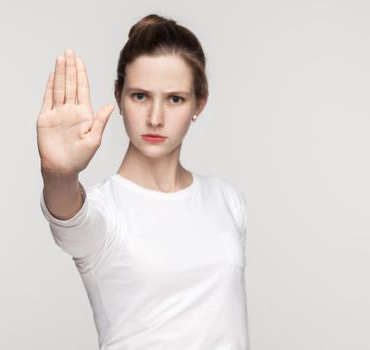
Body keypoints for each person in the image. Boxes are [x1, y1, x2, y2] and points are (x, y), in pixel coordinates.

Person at [36, 13, 249, 349]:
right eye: (140, 96)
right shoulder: (105, 212)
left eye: (175, 99)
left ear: (199, 103)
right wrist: (59, 174)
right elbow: (69, 213)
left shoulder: (227, 200)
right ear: (119, 95)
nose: (155, 118)